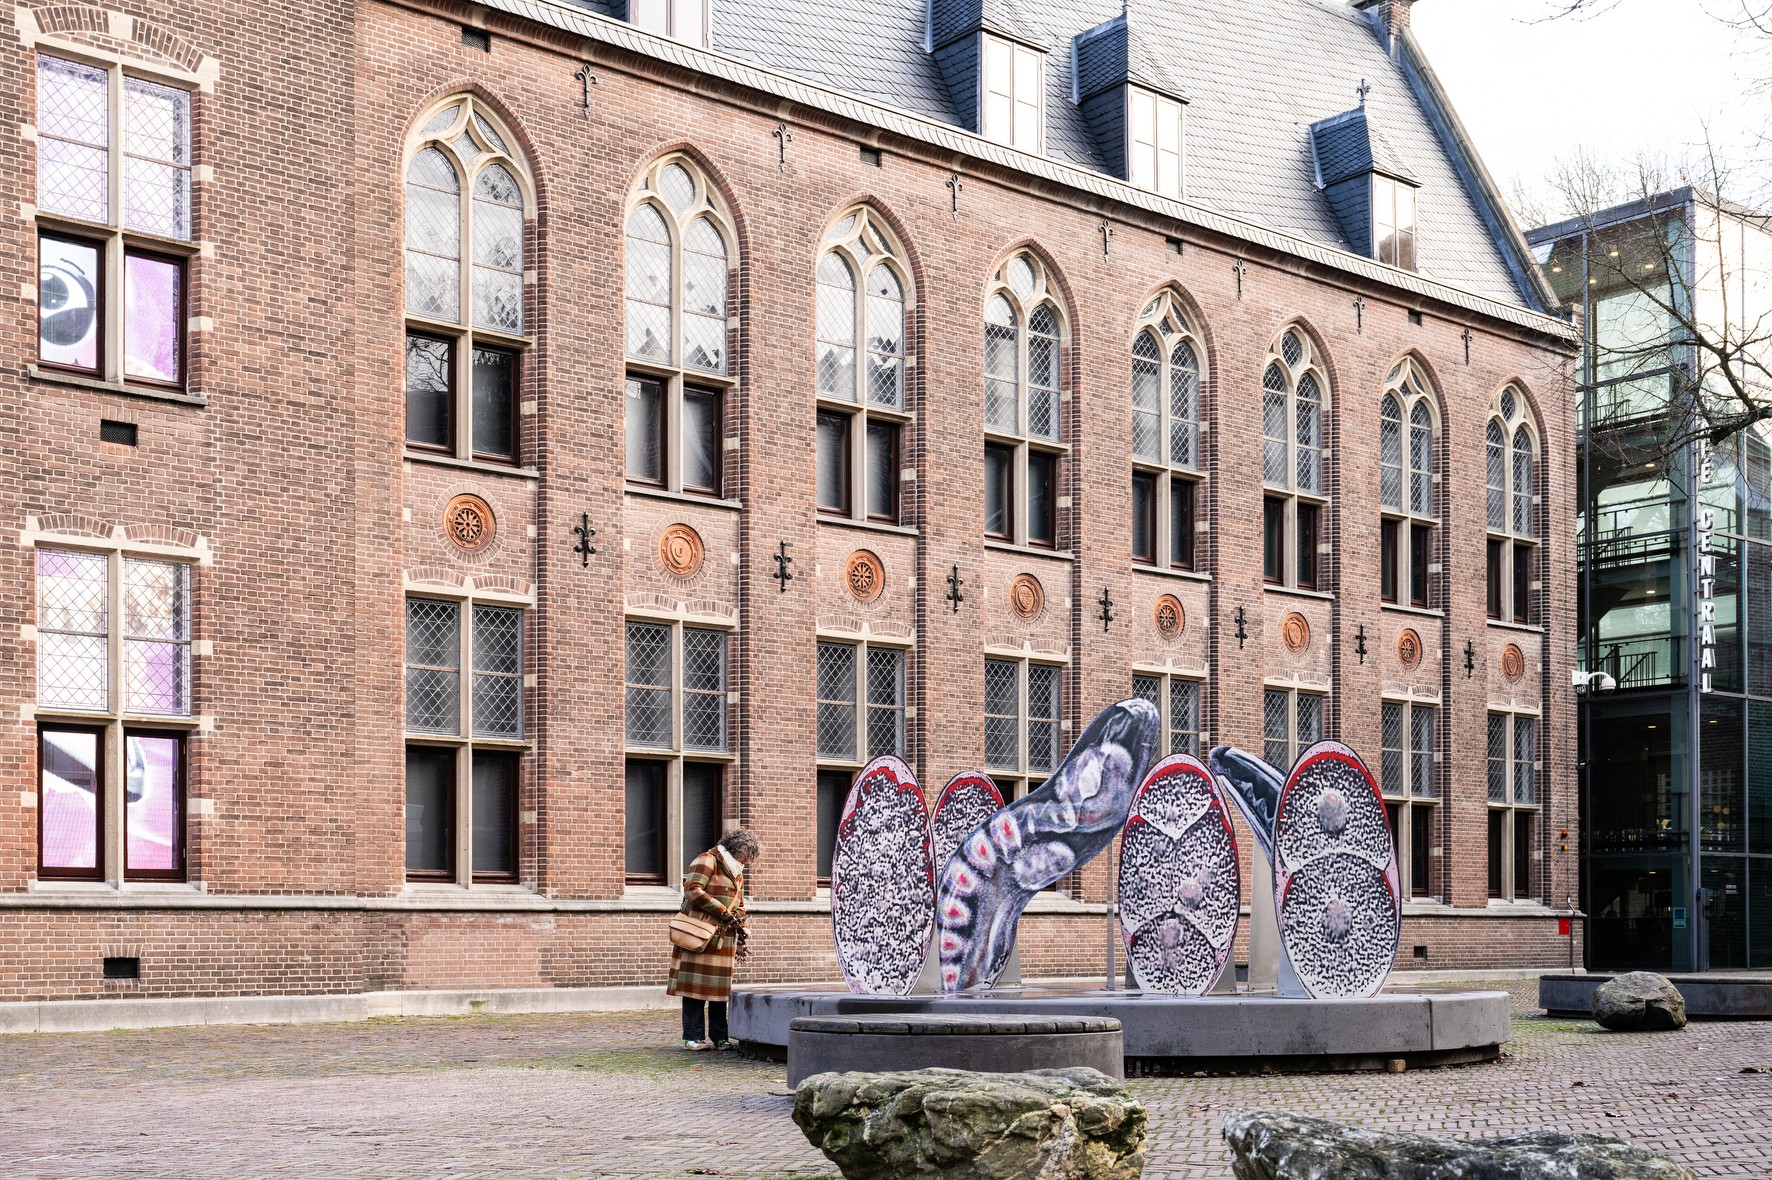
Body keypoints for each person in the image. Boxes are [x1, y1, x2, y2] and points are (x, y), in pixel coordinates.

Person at [667, 828, 760, 1051]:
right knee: (694, 989)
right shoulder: (707, 860)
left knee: (719, 991)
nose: (748, 860)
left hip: (723, 939)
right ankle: (693, 1037)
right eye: (747, 854)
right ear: (738, 849)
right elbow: (692, 889)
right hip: (698, 934)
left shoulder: (737, 871)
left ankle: (720, 1037)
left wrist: (743, 929)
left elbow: (739, 905)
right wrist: (722, 912)